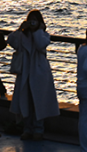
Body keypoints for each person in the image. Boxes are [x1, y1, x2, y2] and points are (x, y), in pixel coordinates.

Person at [8, 9, 59, 140]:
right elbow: (11, 41)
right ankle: (27, 128)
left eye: (35, 21)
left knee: (38, 102)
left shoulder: (43, 35)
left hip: (39, 73)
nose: (32, 23)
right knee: (26, 101)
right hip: (25, 72)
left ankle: (38, 129)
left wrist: (38, 31)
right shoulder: (22, 36)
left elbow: (41, 43)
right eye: (31, 20)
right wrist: (20, 29)